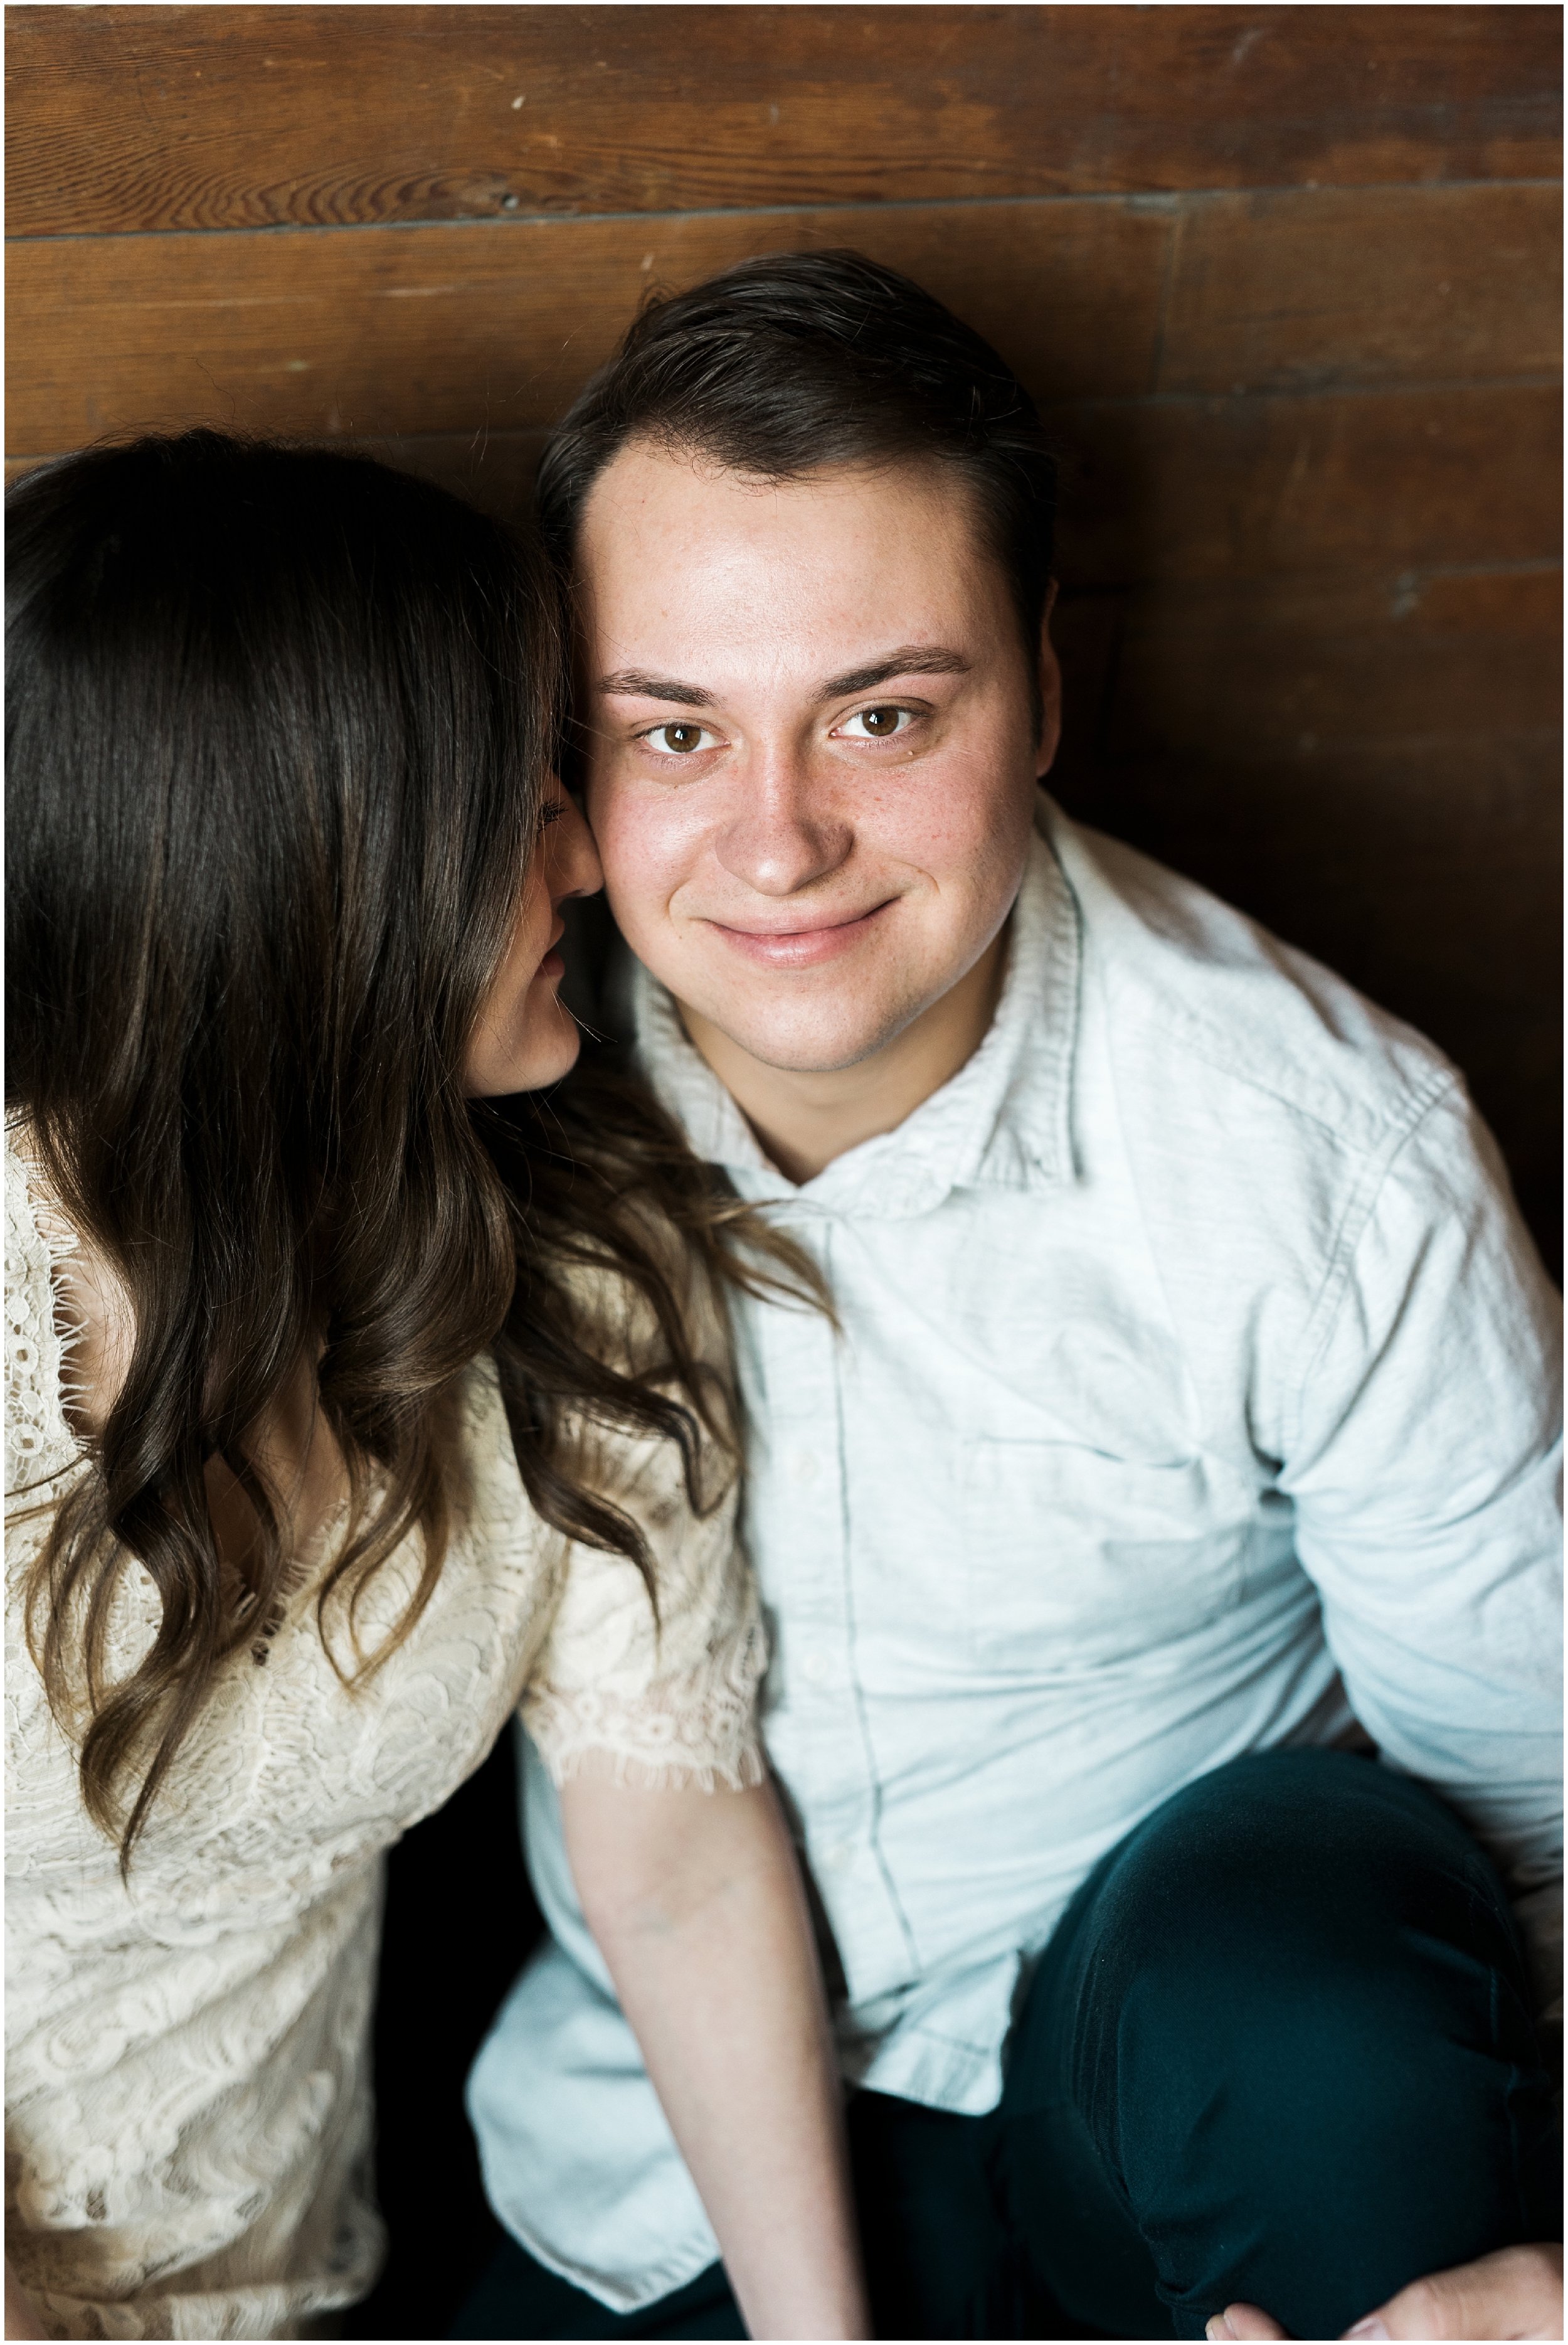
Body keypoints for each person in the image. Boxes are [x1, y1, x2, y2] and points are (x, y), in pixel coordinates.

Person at [463, 253, 1564, 2342]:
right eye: (674, 730)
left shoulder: (1324, 1153)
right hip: (664, 2135)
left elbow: (1543, 1818)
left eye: (883, 715)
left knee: (1319, 1946)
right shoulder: (495, 1052)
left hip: (1161, 2088)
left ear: (1040, 693)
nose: (775, 843)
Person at [3, 432, 868, 2343]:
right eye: (518, 796)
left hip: (299, 2287)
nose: (586, 853)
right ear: (308, 883)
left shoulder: (576, 1265)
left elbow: (677, 1857)